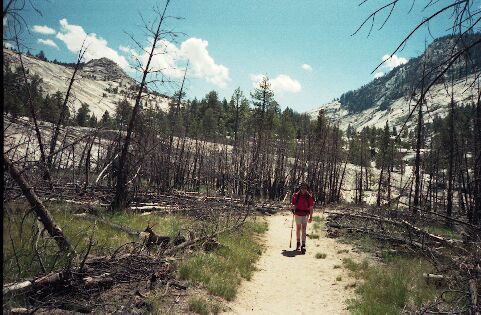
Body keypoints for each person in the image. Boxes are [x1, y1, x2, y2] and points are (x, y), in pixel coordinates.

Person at [291, 182, 314, 254]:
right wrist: (293, 209)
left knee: (304, 229)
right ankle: (298, 243)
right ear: (300, 188)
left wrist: (311, 217)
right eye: (302, 188)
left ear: (307, 189)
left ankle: (303, 244)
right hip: (297, 213)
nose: (303, 189)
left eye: (305, 188)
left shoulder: (309, 196)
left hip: (305, 214)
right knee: (298, 228)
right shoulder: (296, 195)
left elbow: (311, 207)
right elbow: (293, 204)